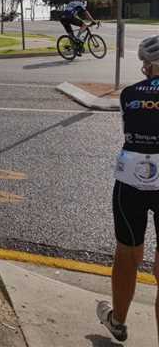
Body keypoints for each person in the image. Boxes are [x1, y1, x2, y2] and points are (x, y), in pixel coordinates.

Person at [96, 35, 159, 342]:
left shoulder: (129, 94)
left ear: (148, 65)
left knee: (127, 253)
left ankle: (118, 321)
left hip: (131, 180)